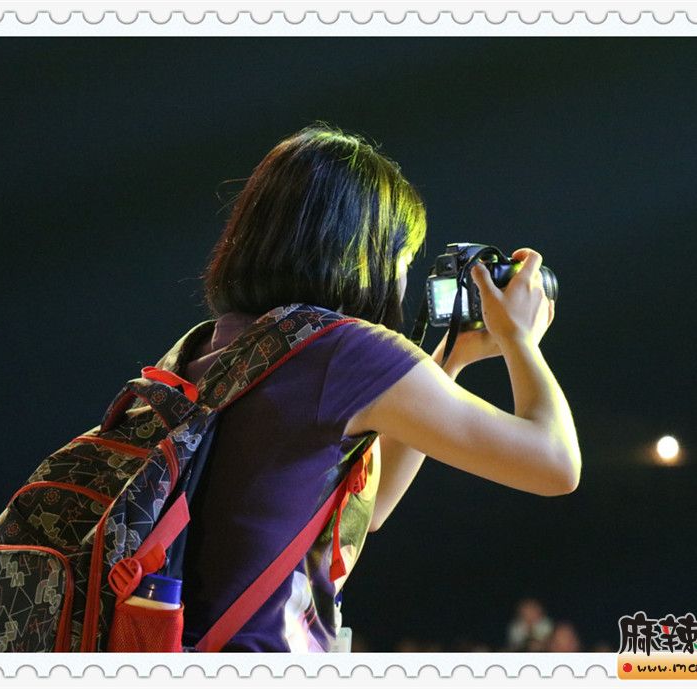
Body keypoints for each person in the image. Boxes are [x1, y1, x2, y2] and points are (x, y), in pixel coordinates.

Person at [176, 124, 581, 652]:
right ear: (365, 254)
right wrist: (519, 340)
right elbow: (555, 465)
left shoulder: (213, 344)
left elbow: (372, 507)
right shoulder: (342, 350)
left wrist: (451, 359)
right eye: (403, 259)